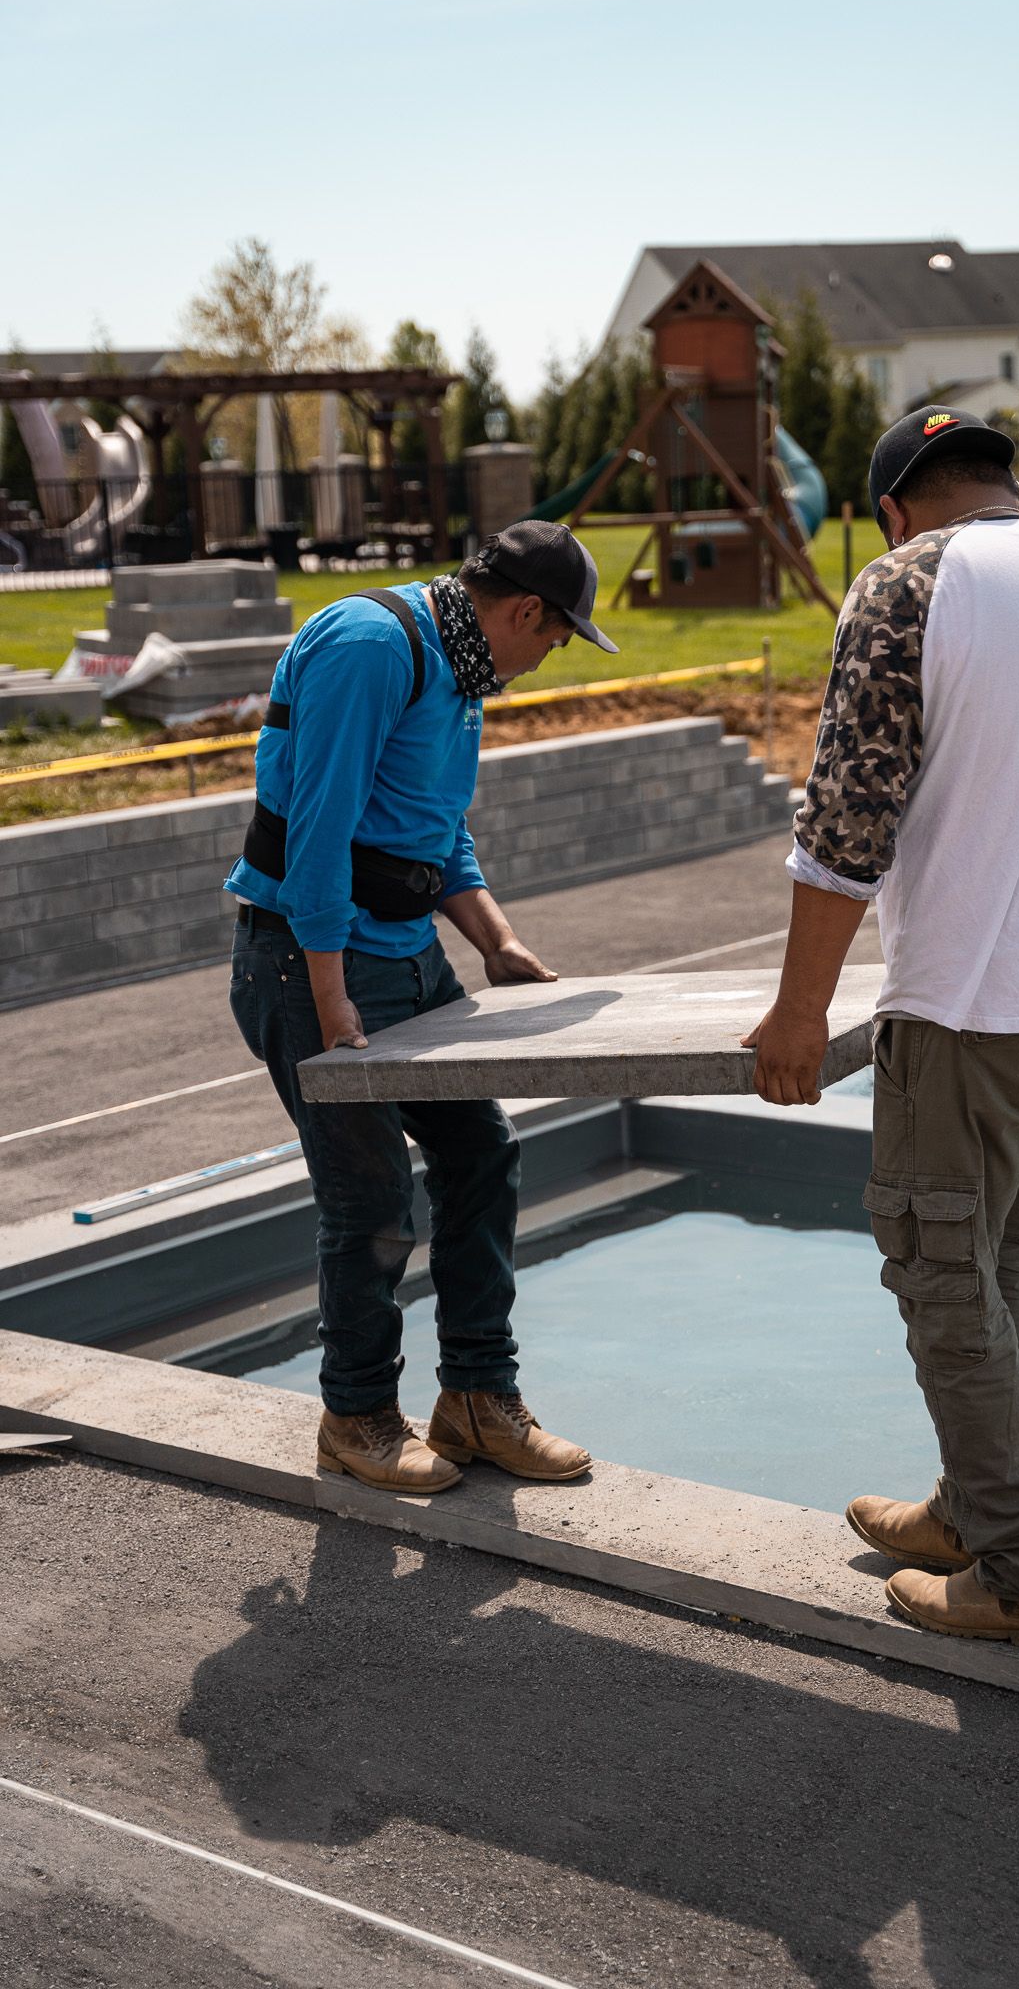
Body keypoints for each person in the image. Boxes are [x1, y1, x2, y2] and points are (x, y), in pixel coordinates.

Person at [744, 407, 1019, 1652]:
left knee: (943, 1282)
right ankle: (973, 1507)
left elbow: (848, 816)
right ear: (1005, 485)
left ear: (892, 506)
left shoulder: (907, 581)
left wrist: (800, 1008)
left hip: (982, 1007)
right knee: (1004, 1267)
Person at [224, 521, 618, 1495]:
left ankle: (478, 1399)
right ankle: (356, 1417)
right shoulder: (371, 647)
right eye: (557, 639)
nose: (546, 659)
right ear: (526, 610)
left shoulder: (462, 670)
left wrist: (498, 944)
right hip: (311, 959)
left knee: (482, 1152)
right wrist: (329, 997)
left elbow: (436, 831)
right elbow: (317, 831)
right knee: (369, 1199)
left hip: (408, 958)